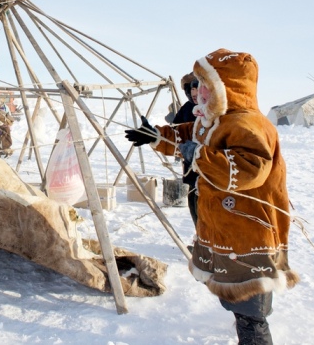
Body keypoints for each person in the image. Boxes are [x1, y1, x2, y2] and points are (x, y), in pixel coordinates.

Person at [125, 49, 299, 345]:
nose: (198, 91)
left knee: (251, 304)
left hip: (249, 227)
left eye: (205, 84)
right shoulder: (213, 120)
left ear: (226, 88)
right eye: (198, 84)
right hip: (224, 224)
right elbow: (184, 133)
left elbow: (250, 170)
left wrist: (201, 156)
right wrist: (156, 136)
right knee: (234, 289)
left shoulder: (249, 124)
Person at [173, 72, 200, 227]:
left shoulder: (211, 109)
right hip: (190, 169)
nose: (193, 93)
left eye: (196, 88)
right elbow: (174, 130)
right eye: (190, 90)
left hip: (208, 169)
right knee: (193, 206)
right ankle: (199, 243)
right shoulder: (186, 109)